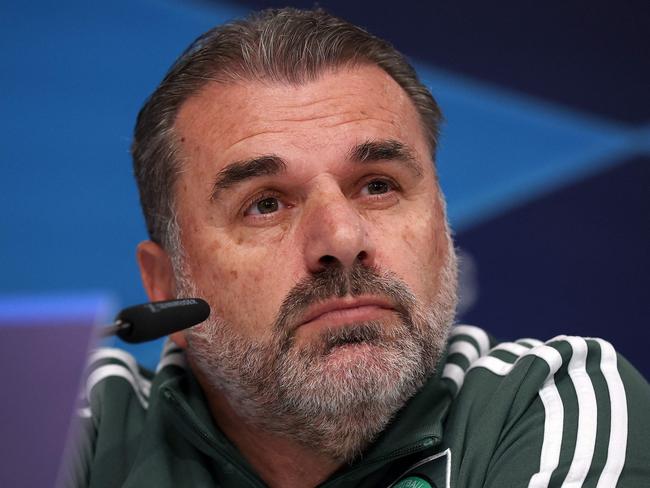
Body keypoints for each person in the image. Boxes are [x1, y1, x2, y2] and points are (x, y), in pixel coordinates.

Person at [67, 8, 650, 487]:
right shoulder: (70, 426)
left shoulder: (553, 404)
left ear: (442, 228)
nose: (342, 240)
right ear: (165, 288)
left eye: (378, 186)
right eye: (266, 203)